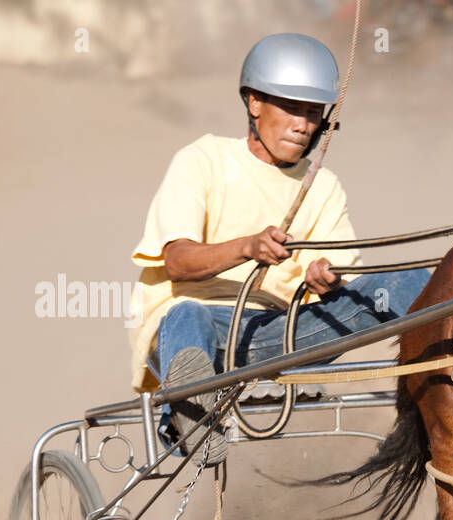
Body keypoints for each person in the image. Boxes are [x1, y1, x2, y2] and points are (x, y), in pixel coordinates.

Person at [128, 33, 431, 464]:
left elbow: (341, 273)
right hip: (196, 331)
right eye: (291, 108)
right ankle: (192, 413)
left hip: (279, 334)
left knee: (408, 281)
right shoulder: (203, 160)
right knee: (186, 314)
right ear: (254, 103)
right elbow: (177, 262)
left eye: (312, 113)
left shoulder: (323, 185)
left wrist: (328, 279)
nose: (302, 124)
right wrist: (248, 246)